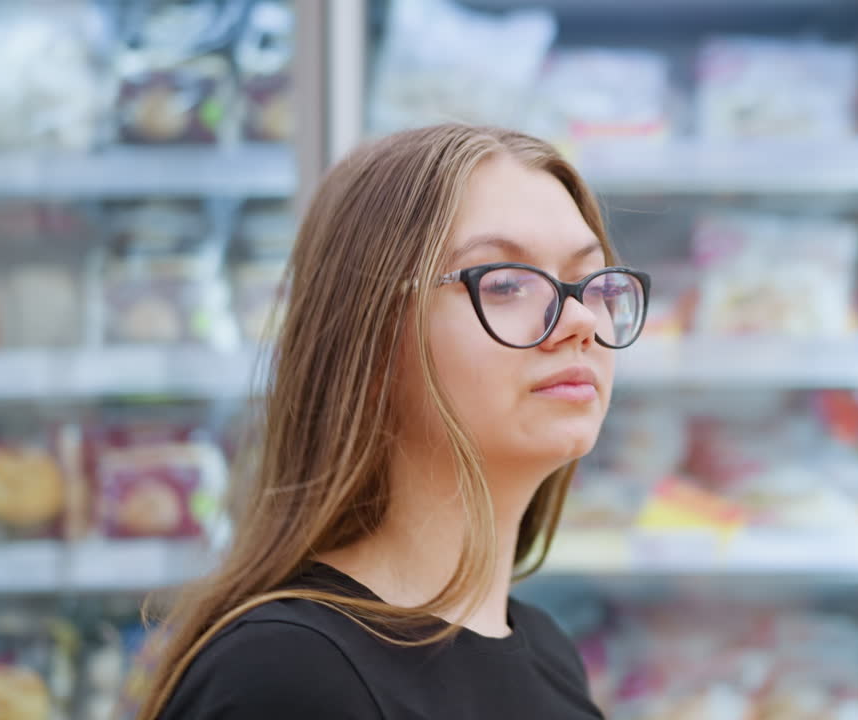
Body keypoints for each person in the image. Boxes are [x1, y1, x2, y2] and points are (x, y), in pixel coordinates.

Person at [136, 124, 650, 719]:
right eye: (507, 283)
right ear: (371, 340)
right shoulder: (282, 676)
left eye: (594, 282)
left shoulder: (550, 655)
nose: (581, 320)